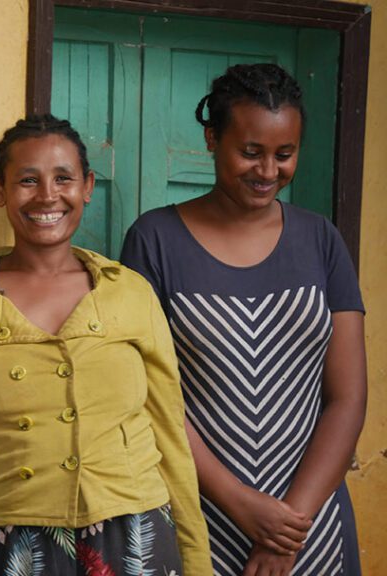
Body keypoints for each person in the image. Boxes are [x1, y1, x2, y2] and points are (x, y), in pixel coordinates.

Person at [0, 114, 211, 575]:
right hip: (9, 539)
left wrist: (197, 561)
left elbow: (169, 432)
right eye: (27, 181)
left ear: (88, 186)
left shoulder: (130, 293)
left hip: (134, 533)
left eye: (63, 178)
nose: (47, 196)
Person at [120, 63, 367, 576]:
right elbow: (146, 394)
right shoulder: (154, 240)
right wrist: (242, 505)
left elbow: (347, 397)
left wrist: (287, 529)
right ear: (212, 138)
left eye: (285, 154)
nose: (268, 170)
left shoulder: (321, 240)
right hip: (200, 516)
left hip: (313, 525)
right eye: (250, 152)